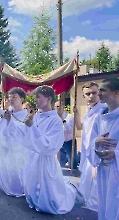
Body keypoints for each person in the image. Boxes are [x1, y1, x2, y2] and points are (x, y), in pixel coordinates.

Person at [17, 85, 83, 214]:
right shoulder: (36, 116)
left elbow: (50, 144)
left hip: (45, 159)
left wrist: (32, 128)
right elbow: (26, 136)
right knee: (32, 187)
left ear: (48, 98)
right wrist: (25, 125)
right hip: (33, 158)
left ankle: (72, 190)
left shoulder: (56, 121)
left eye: (38, 97)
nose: (35, 100)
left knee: (50, 199)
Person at [88, 77, 119, 220]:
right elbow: (91, 141)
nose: (98, 93)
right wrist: (96, 141)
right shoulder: (100, 118)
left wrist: (116, 154)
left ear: (116, 93)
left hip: (116, 170)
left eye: (102, 90)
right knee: (105, 207)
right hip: (104, 171)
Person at [73, 81, 106, 212]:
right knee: (86, 179)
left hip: (99, 151)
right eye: (88, 94)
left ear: (99, 93)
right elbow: (80, 127)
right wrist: (76, 114)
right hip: (87, 151)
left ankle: (96, 206)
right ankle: (86, 202)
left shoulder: (104, 110)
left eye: (94, 92)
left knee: (97, 180)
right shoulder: (88, 112)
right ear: (84, 96)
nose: (91, 96)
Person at [0, 87, 28, 197]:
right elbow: (0, 129)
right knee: (8, 169)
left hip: (20, 148)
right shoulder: (7, 113)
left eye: (14, 97)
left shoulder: (26, 114)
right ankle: (9, 187)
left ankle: (21, 189)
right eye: (10, 98)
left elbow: (25, 130)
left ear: (22, 99)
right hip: (7, 146)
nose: (11, 100)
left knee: (19, 169)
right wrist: (5, 119)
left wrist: (11, 120)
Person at [54, 101, 78, 169]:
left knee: (73, 166)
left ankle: (78, 156)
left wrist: (63, 120)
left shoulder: (69, 117)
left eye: (60, 106)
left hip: (69, 142)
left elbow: (70, 130)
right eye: (57, 107)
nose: (58, 108)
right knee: (60, 165)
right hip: (60, 143)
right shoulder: (53, 118)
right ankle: (66, 157)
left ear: (63, 107)